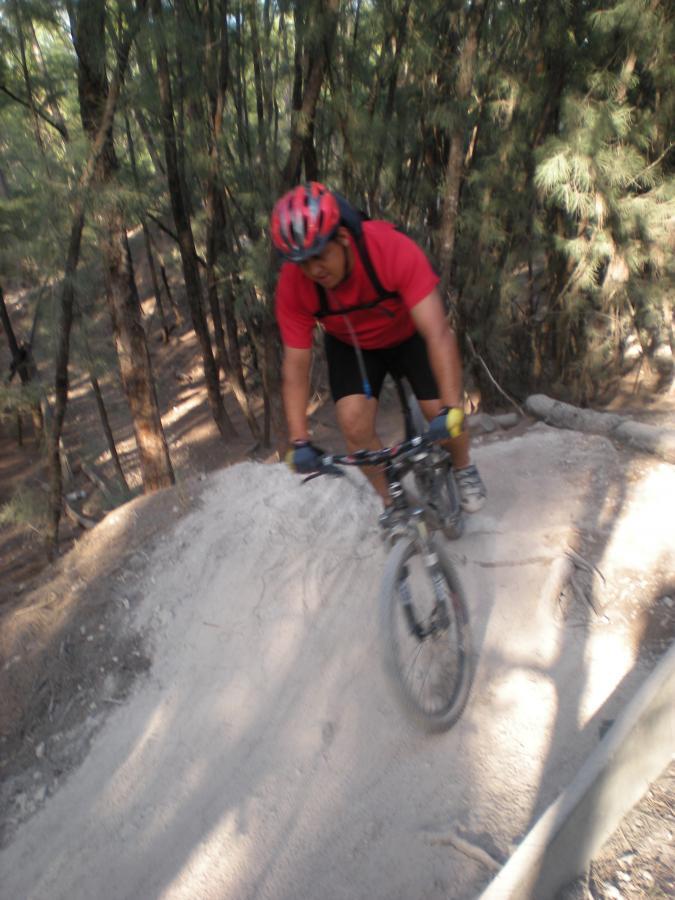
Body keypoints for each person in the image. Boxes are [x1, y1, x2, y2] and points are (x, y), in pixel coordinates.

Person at [271, 181, 486, 527]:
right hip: (352, 344)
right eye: (302, 263)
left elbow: (438, 333)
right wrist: (300, 440)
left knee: (441, 413)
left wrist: (450, 407)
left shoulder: (389, 249)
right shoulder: (295, 285)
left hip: (408, 333)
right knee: (354, 423)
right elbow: (296, 366)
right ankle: (392, 502)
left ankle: (463, 467)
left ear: (342, 239)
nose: (313, 271)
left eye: (319, 256)